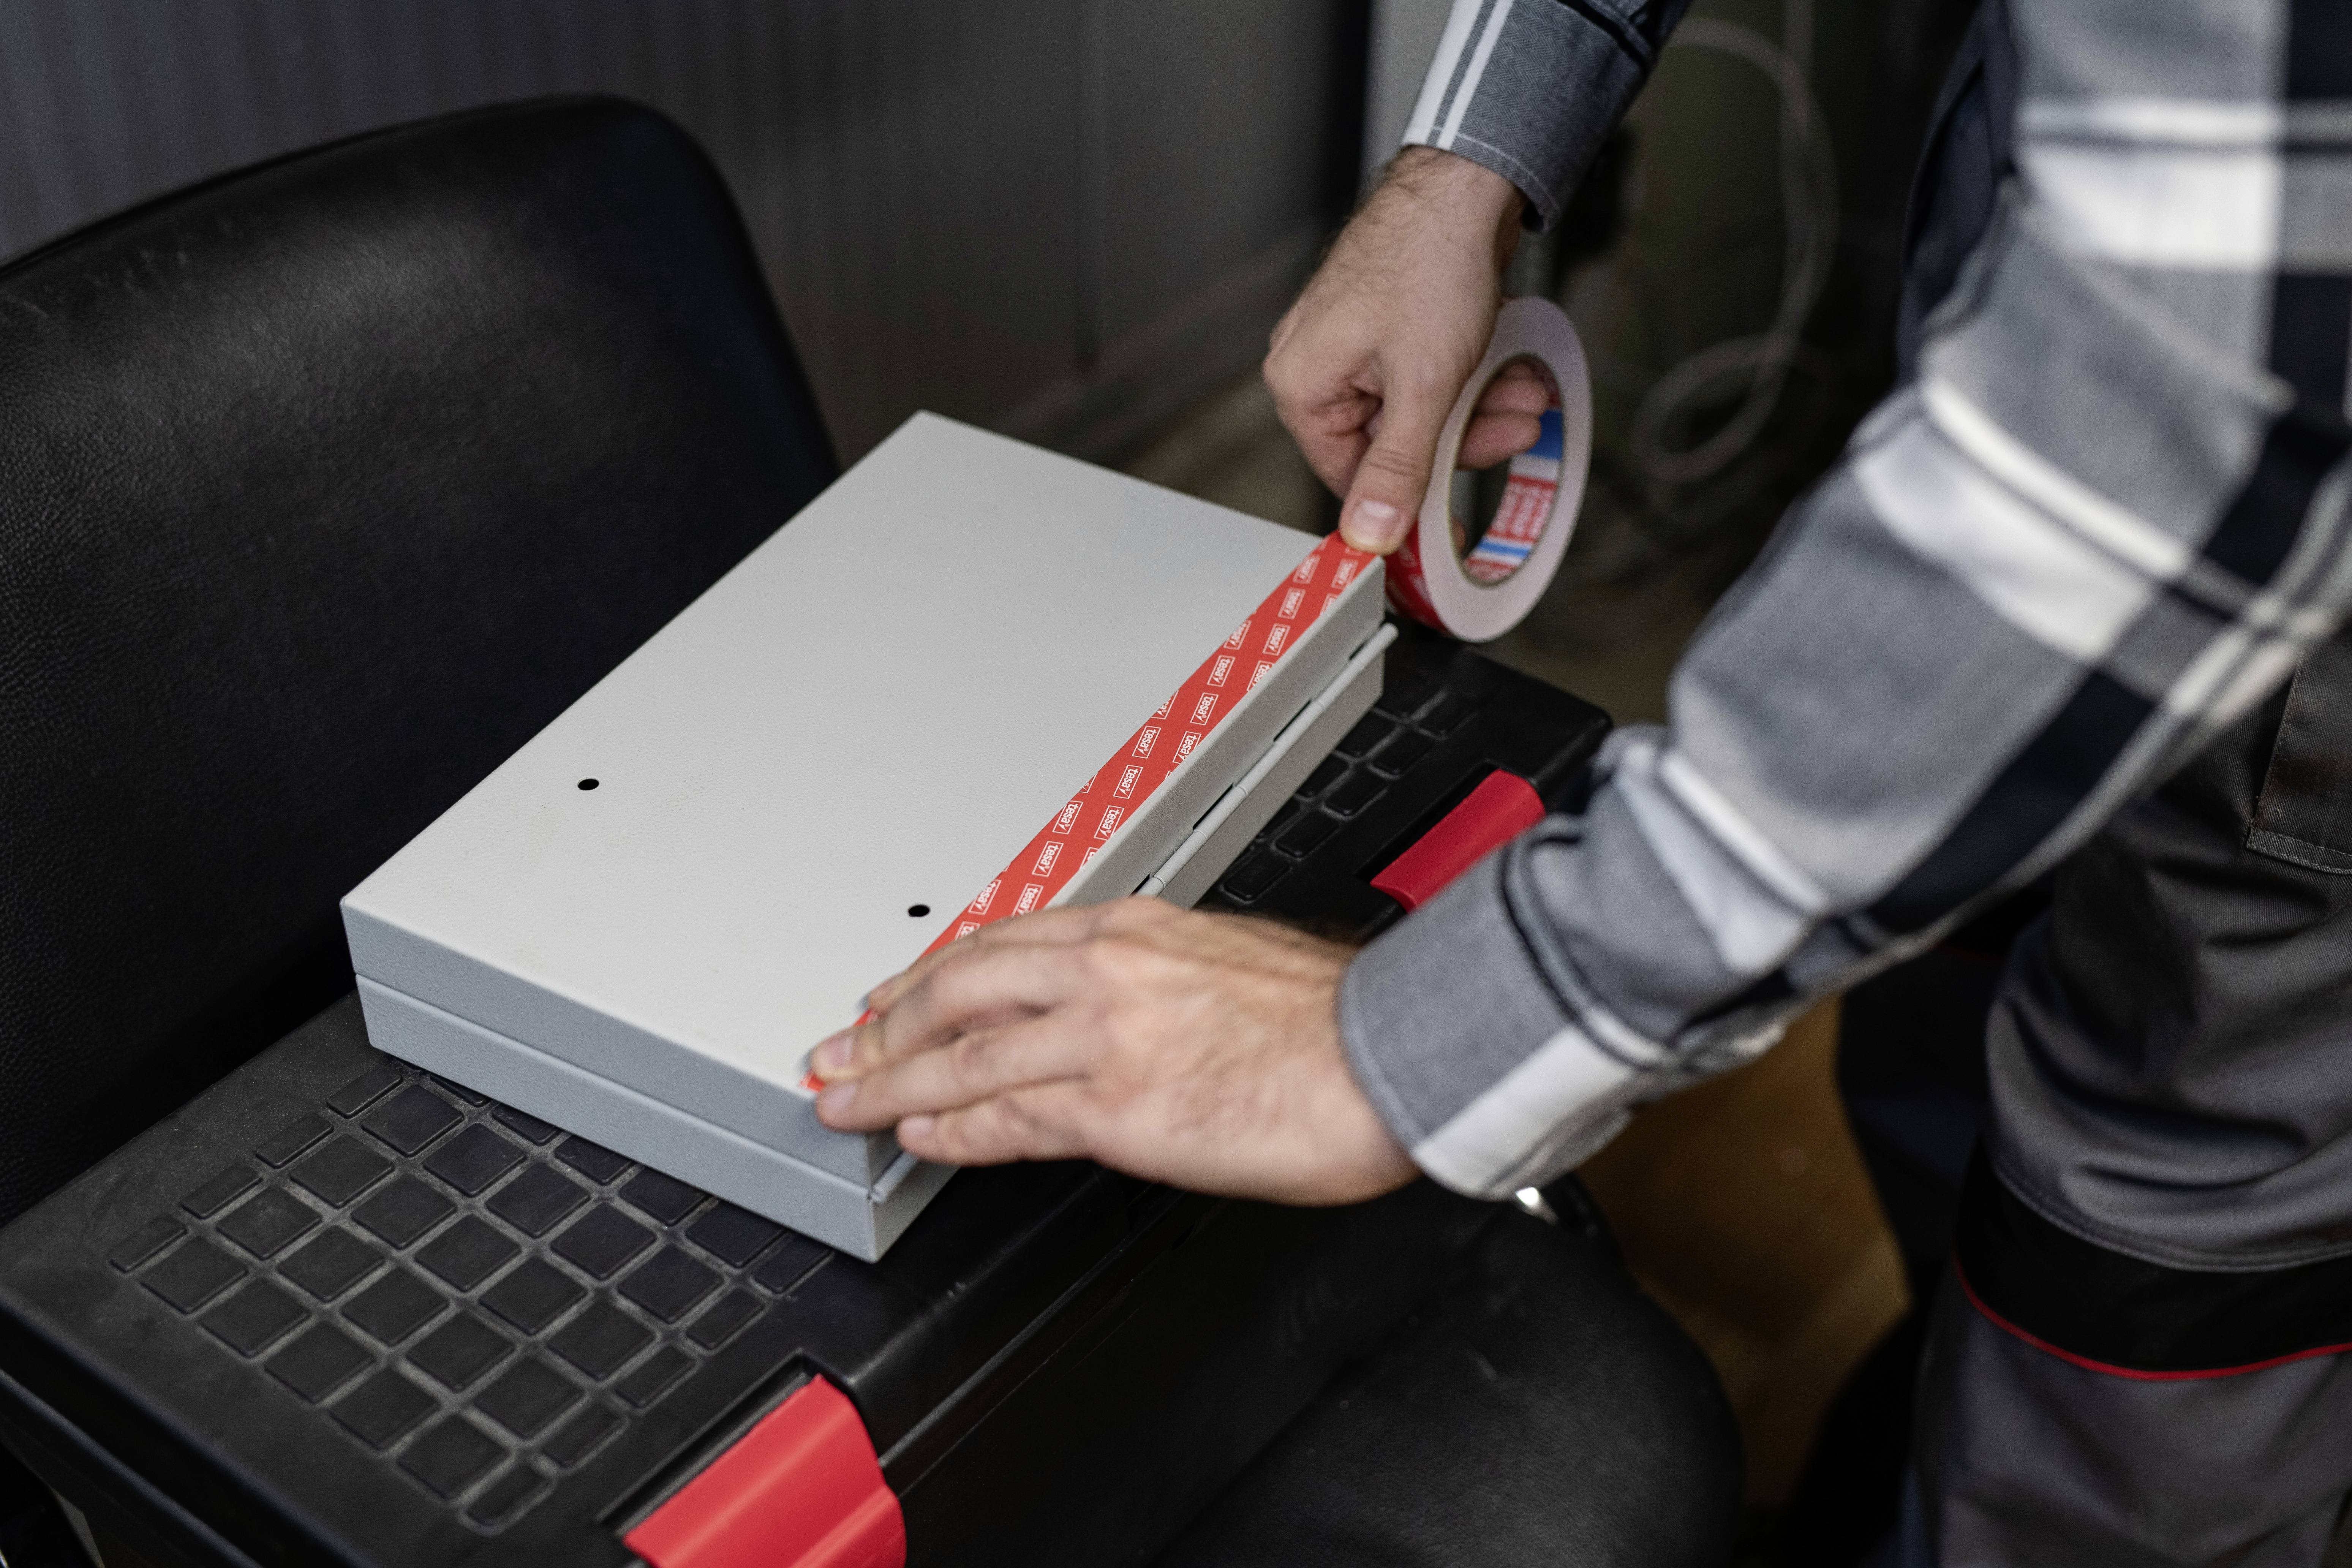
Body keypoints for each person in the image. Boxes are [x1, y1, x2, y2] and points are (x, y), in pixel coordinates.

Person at [816, 0, 2352, 1560]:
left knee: (2123, 1345)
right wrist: (1473, 160)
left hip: (2284, 756)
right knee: (1941, 1086)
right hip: (2027, 440)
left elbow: (2192, 419)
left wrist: (1410, 1039)